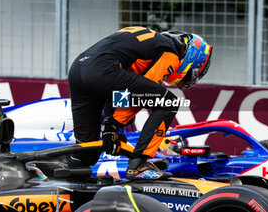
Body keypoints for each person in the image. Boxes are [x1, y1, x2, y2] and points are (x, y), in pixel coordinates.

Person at [68, 26, 213, 180]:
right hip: (102, 71)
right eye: (194, 73)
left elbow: (123, 91)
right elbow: (142, 97)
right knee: (169, 101)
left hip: (77, 69)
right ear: (193, 57)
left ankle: (71, 172)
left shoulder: (149, 39)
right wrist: (112, 127)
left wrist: (112, 129)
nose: (187, 78)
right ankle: (139, 164)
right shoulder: (170, 53)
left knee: (86, 151)